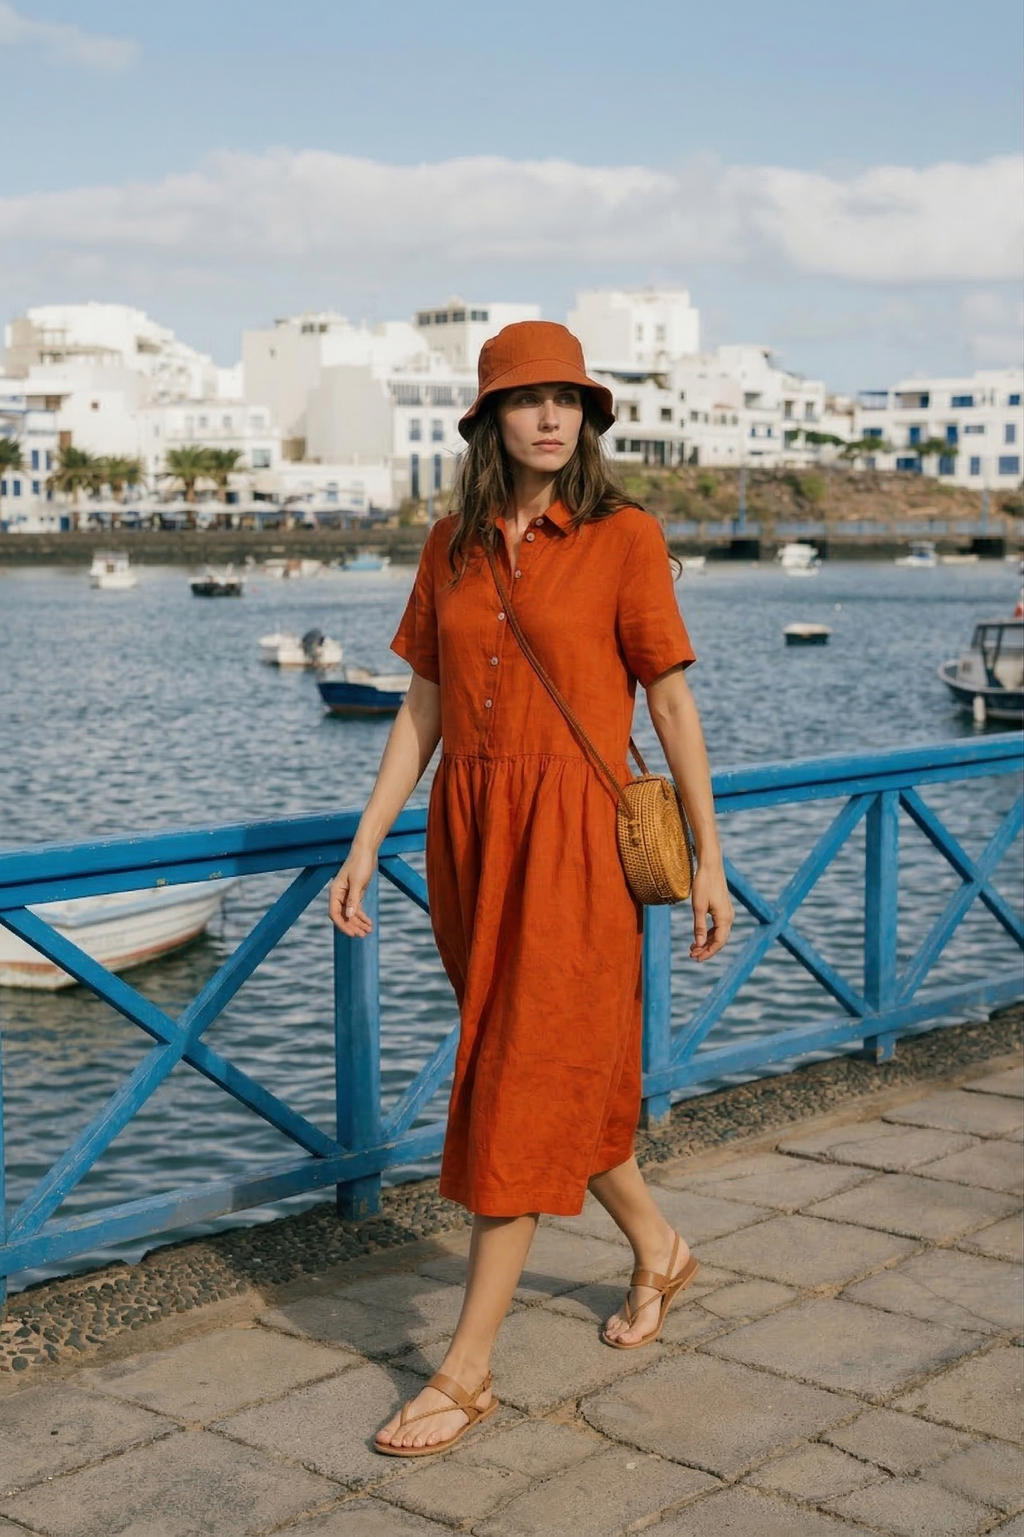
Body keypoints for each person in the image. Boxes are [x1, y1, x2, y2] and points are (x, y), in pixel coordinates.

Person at [329, 321, 733, 1457]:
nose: (551, 417)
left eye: (569, 399)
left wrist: (708, 856)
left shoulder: (624, 537)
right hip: (471, 835)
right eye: (527, 399)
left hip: (574, 842)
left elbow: (671, 702)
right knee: (545, 1065)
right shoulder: (447, 547)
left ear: (590, 418)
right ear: (489, 419)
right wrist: (368, 839)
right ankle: (659, 1249)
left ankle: (465, 1370)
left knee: (512, 1078)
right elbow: (423, 705)